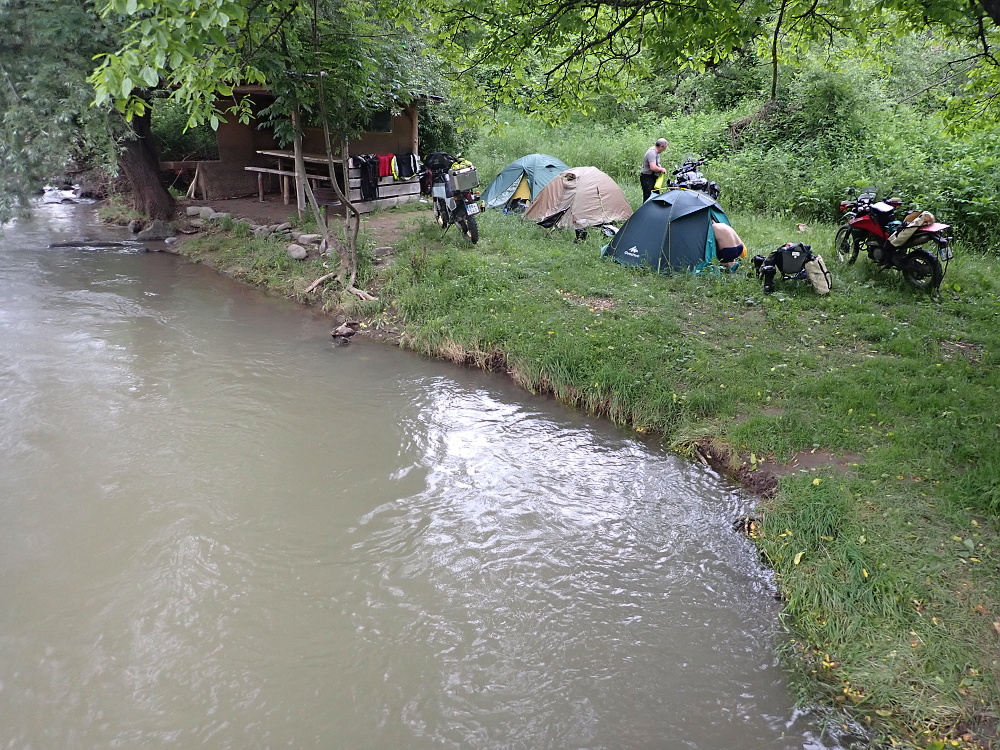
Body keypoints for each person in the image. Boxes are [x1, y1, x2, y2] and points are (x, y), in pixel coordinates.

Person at [640, 138, 668, 202]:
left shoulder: (656, 152)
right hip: (647, 177)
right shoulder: (652, 152)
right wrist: (661, 169)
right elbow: (653, 167)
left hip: (652, 177)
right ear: (661, 146)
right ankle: (646, 211)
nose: (664, 150)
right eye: (664, 148)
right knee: (648, 197)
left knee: (655, 195)